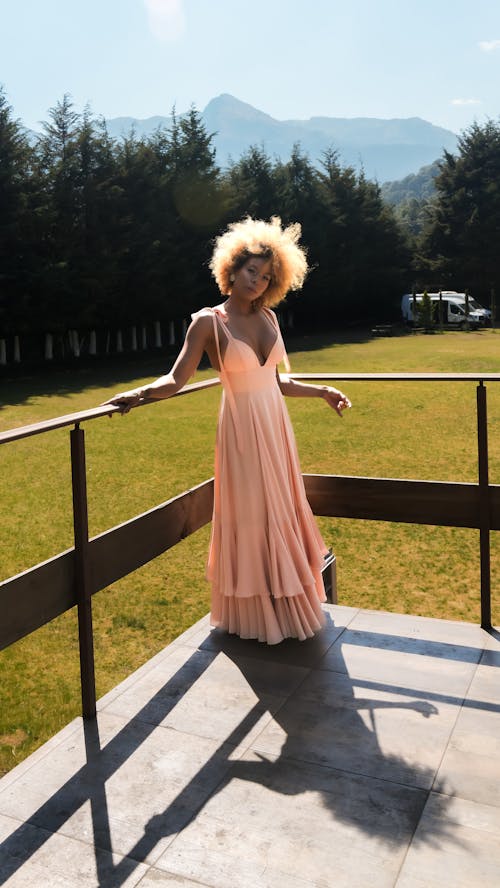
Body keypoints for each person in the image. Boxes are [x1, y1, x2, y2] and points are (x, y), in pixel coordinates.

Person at [104, 216, 351, 644]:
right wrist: (138, 394)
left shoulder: (270, 320)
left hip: (276, 430)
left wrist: (323, 391)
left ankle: (286, 604)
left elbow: (279, 383)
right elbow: (175, 379)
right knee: (254, 515)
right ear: (232, 269)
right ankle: (257, 615)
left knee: (282, 511)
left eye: (266, 276)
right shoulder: (208, 323)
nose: (257, 281)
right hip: (241, 434)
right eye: (251, 270)